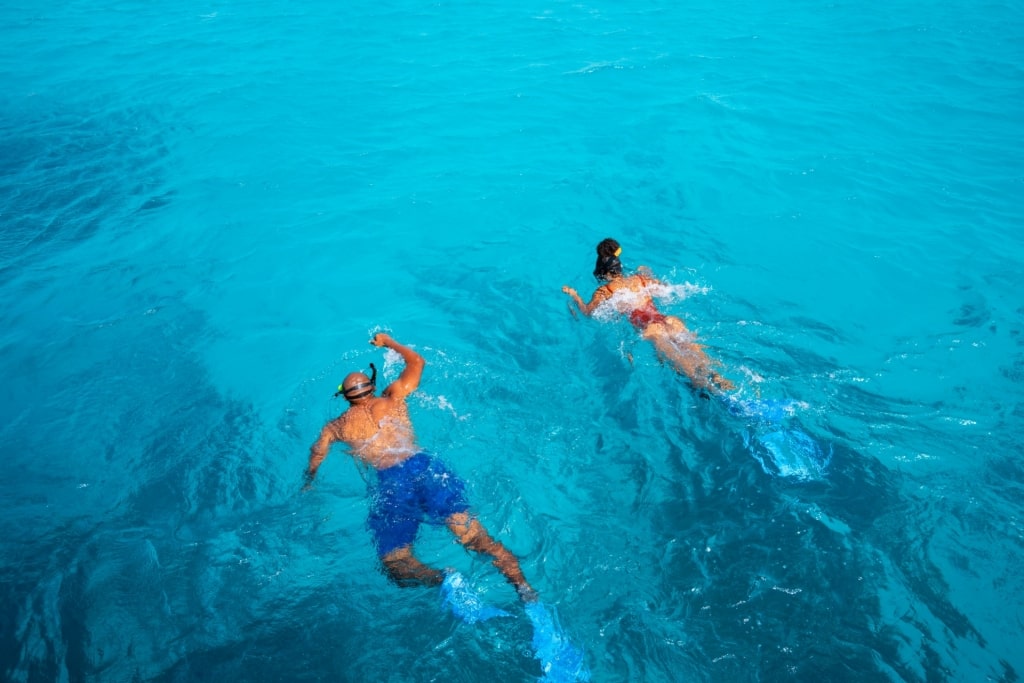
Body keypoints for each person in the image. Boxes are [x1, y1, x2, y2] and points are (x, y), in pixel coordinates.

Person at [304, 332, 537, 604]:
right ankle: (524, 588)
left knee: (395, 563)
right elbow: (417, 362)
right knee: (476, 538)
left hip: (392, 482)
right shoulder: (392, 397)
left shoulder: (336, 426)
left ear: (345, 398)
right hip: (425, 467)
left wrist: (309, 481)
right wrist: (389, 342)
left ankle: (445, 579)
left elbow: (316, 453)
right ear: (373, 386)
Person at [562, 237, 734, 395]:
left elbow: (587, 313)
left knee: (686, 370)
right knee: (691, 349)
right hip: (669, 320)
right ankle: (717, 376)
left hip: (652, 329)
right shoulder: (640, 279)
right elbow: (665, 288)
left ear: (603, 273)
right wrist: (648, 273)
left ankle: (708, 387)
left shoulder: (605, 290)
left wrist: (574, 295)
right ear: (620, 267)